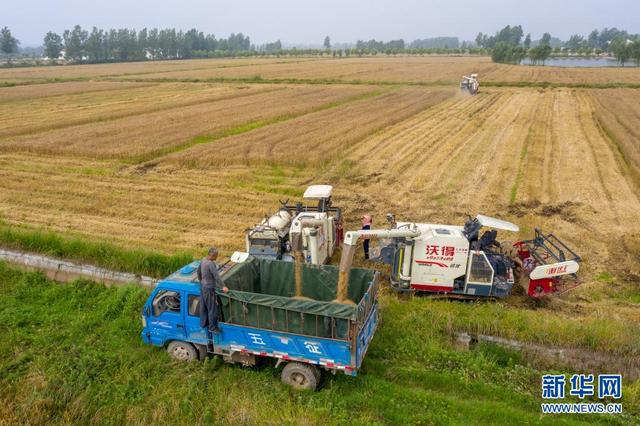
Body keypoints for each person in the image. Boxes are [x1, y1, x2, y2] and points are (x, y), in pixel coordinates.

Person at [197, 247, 228, 333]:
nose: (217, 257)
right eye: (216, 255)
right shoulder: (211, 264)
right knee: (212, 308)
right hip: (209, 289)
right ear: (213, 255)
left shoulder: (203, 260)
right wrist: (223, 287)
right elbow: (216, 276)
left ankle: (203, 324)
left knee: (203, 307)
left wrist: (200, 280)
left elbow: (198, 271)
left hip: (203, 286)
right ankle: (212, 328)